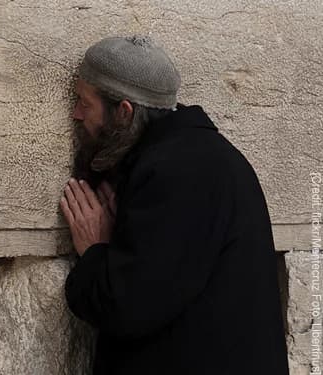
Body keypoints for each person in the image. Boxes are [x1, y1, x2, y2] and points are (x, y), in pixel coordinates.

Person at [60, 35, 289, 374]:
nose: (76, 114)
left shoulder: (176, 173)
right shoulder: (196, 157)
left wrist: (95, 253)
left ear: (124, 112)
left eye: (84, 102)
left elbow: (129, 307)